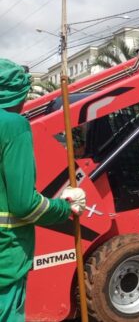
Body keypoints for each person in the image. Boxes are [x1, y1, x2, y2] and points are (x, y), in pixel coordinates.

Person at [0, 59, 86, 322]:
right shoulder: (13, 126)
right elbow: (24, 204)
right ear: (19, 93)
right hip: (6, 255)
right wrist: (65, 206)